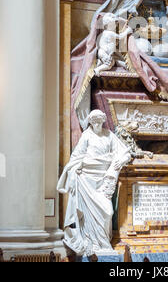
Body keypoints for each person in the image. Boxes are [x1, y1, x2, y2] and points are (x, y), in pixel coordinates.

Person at [57, 110, 131, 256]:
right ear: (90, 122)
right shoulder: (87, 136)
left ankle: (103, 243)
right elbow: (76, 157)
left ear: (103, 121)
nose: (97, 124)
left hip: (103, 180)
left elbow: (125, 152)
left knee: (107, 212)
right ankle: (92, 243)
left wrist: (120, 160)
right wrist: (75, 169)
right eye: (94, 121)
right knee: (88, 216)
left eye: (99, 121)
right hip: (86, 180)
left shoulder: (109, 135)